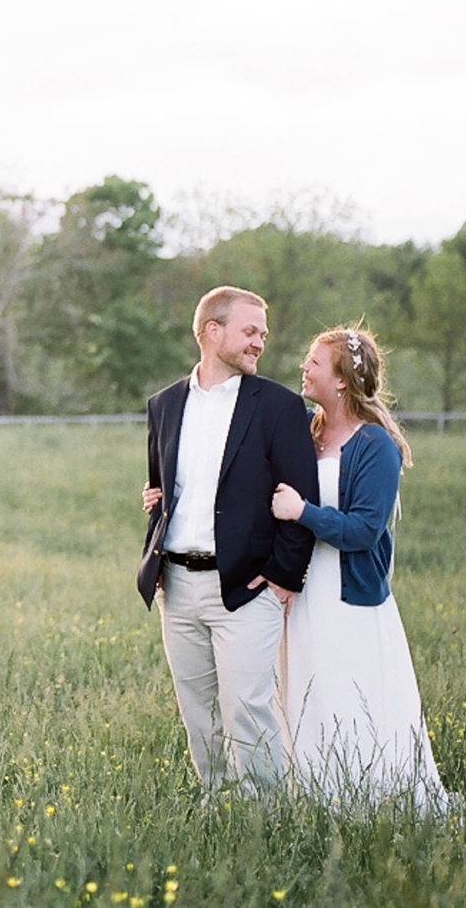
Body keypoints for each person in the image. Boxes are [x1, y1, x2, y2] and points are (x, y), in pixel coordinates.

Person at [139, 286, 319, 793]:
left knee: (248, 708)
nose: (259, 341)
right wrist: (154, 557)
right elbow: (162, 490)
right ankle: (219, 809)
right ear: (212, 332)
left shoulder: (279, 407)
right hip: (176, 584)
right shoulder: (164, 405)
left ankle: (267, 817)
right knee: (199, 712)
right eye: (250, 331)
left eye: (262, 332)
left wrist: (284, 575)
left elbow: (300, 496)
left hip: (246, 586)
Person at [270, 326, 448, 807]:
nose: (303, 368)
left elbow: (365, 530)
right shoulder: (304, 429)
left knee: (347, 691)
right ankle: (306, 796)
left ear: (343, 380)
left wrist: (302, 512)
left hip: (348, 594)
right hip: (302, 587)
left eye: (314, 362)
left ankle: (365, 800)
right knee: (304, 691)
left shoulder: (376, 446)